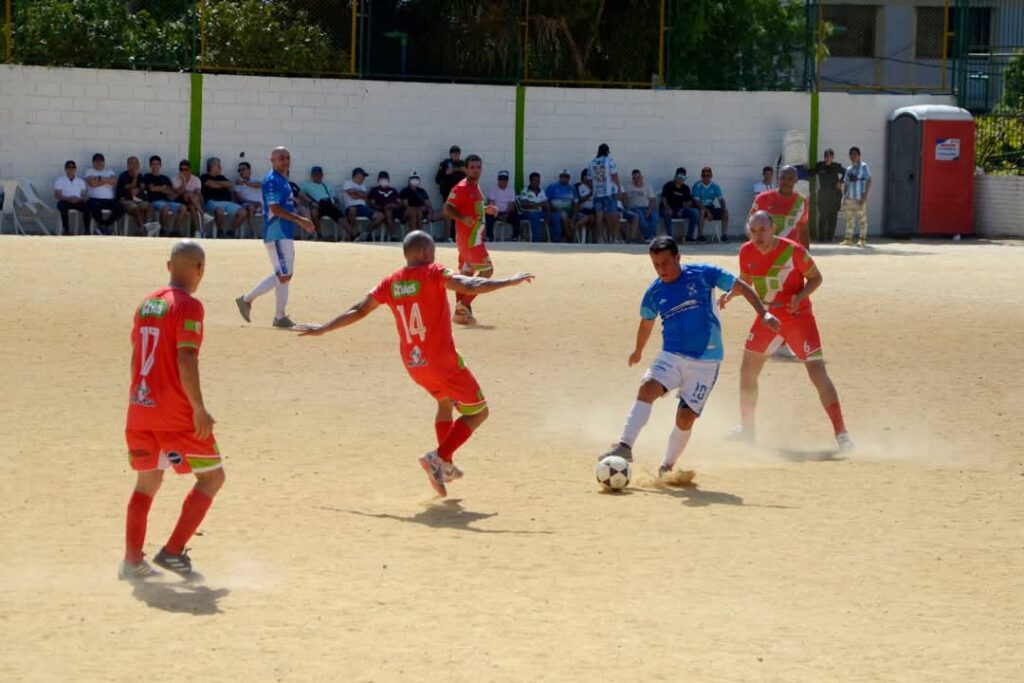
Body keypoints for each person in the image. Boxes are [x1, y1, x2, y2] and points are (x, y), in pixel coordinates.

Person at [296, 231, 534, 497]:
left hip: (414, 364)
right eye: (432, 251)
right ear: (423, 252)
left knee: (445, 402)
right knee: (479, 412)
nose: (434, 256)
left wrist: (323, 328)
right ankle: (439, 457)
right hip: (442, 362)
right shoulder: (433, 272)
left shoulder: (390, 282)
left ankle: (446, 466)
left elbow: (359, 310)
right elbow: (468, 285)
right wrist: (508, 281)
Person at [599, 235, 778, 478]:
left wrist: (763, 314)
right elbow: (647, 321)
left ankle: (667, 468)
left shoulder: (703, 274)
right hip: (671, 354)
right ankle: (625, 446)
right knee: (647, 388)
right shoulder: (655, 291)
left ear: (678, 258)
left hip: (706, 360)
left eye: (665, 263)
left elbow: (742, 287)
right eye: (656, 265)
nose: (661, 270)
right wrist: (638, 350)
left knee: (685, 418)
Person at [120, 240, 223, 580]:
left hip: (140, 408)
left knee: (146, 482)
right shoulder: (189, 307)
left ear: (168, 267)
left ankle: (132, 561)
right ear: (200, 269)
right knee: (212, 477)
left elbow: (136, 356)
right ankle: (173, 552)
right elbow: (186, 356)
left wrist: (139, 399)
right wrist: (198, 408)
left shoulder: (146, 304)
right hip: (174, 413)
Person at [722, 211, 854, 452]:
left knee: (817, 373)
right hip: (767, 318)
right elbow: (745, 280)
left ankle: (841, 433)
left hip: (798, 318)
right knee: (747, 370)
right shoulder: (746, 251)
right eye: (754, 231)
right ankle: (747, 429)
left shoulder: (793, 251)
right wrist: (731, 294)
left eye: (763, 229)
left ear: (773, 229)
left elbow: (816, 278)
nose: (758, 235)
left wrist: (800, 296)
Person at [234, 147, 316, 329]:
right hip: (276, 232)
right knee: (284, 274)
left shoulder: (282, 179)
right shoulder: (272, 180)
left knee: (285, 274)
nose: (285, 161)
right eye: (281, 158)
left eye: (287, 157)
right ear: (272, 160)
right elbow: (275, 209)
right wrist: (301, 220)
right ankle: (247, 299)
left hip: (283, 232)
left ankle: (279, 316)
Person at [444, 154, 500, 325]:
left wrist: (485, 209)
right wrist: (462, 218)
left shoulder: (475, 187)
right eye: (472, 167)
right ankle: (464, 305)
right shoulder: (461, 187)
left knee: (466, 275)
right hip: (471, 240)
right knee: (487, 271)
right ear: (466, 169)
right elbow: (447, 208)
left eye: (478, 167)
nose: (475, 170)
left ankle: (461, 313)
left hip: (471, 239)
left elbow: (471, 207)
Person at [749, 165, 809, 248]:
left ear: (796, 180)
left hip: (791, 252)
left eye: (790, 178)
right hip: (767, 251)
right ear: (778, 178)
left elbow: (803, 231)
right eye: (783, 177)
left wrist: (806, 255)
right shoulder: (762, 199)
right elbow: (749, 224)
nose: (786, 181)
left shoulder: (802, 202)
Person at [300, 165, 352, 240]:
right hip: (317, 205)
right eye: (315, 174)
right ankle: (319, 235)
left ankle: (354, 234)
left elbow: (333, 197)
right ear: (311, 176)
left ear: (322, 175)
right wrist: (311, 202)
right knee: (314, 212)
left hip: (328, 204)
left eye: (319, 174)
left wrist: (336, 202)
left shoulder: (327, 185)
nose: (317, 176)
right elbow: (300, 194)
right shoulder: (306, 185)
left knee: (339, 214)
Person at [144, 156, 189, 237]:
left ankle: (175, 230)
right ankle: (163, 230)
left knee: (183, 208)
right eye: (153, 164)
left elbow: (171, 193)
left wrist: (183, 182)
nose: (155, 166)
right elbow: (152, 189)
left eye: (157, 164)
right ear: (150, 166)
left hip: (166, 201)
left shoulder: (165, 178)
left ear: (160, 165)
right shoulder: (147, 176)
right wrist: (163, 188)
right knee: (165, 207)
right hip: (154, 201)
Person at [201, 157, 246, 238]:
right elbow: (210, 184)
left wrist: (217, 184)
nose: (220, 168)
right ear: (212, 166)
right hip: (212, 202)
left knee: (243, 212)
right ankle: (220, 232)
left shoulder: (222, 177)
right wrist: (222, 185)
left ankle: (231, 232)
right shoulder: (204, 177)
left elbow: (230, 184)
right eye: (218, 166)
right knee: (219, 211)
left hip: (228, 203)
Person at [83, 153, 122, 235]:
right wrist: (107, 181)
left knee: (121, 208)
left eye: (101, 161)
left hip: (108, 200)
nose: (99, 163)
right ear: (93, 163)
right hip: (94, 199)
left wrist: (99, 179)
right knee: (94, 207)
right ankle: (103, 227)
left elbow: (115, 181)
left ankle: (105, 225)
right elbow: (91, 183)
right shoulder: (89, 171)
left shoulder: (109, 171)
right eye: (97, 161)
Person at [589, 143, 621, 245]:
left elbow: (589, 178)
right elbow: (614, 175)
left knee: (599, 217)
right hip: (609, 192)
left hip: (597, 193)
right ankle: (614, 238)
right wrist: (619, 187)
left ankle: (600, 238)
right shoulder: (609, 160)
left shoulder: (592, 162)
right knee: (613, 216)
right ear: (607, 151)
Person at [811, 149, 844, 243]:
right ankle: (821, 238)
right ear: (824, 157)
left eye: (830, 156)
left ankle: (830, 237)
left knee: (833, 216)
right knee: (823, 216)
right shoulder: (820, 166)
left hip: (835, 194)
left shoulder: (836, 166)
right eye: (826, 156)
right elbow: (811, 173)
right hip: (824, 194)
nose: (828, 158)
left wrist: (840, 182)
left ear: (832, 157)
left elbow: (846, 173)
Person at [841, 146, 871, 247]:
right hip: (850, 197)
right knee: (849, 219)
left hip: (859, 197)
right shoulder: (849, 169)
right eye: (851, 154)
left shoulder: (863, 166)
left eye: (855, 154)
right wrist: (844, 196)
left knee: (862, 219)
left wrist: (865, 195)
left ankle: (862, 240)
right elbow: (846, 183)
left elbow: (869, 180)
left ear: (859, 155)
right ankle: (848, 239)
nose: (853, 156)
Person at [659, 167, 700, 241]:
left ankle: (689, 236)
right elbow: (664, 199)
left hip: (680, 210)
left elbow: (689, 201)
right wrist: (668, 208)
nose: (680, 178)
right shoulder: (668, 185)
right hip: (667, 209)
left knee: (695, 212)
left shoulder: (686, 188)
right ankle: (670, 238)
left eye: (682, 177)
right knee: (667, 213)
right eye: (679, 176)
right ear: (675, 176)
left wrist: (682, 210)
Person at [436, 145, 466, 240]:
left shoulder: (463, 164)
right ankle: (448, 237)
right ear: (450, 154)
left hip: (461, 194)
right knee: (448, 214)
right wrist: (446, 173)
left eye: (458, 153)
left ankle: (460, 236)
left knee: (460, 215)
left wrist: (457, 170)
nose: (456, 155)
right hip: (448, 193)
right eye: (454, 153)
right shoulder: (445, 164)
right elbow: (437, 179)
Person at [343, 167, 382, 241]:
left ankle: (365, 234)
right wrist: (360, 194)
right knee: (353, 209)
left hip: (363, 208)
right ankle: (353, 235)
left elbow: (365, 196)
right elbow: (353, 196)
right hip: (350, 207)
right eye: (363, 176)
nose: (364, 178)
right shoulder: (347, 183)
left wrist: (355, 192)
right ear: (358, 175)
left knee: (380, 216)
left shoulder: (363, 185)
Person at [117, 156, 153, 236]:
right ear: (128, 165)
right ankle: (143, 229)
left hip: (137, 200)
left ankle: (147, 228)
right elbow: (131, 188)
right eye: (132, 163)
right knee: (135, 207)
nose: (135, 165)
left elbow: (142, 188)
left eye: (136, 163)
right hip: (124, 200)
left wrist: (139, 189)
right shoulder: (123, 176)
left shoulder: (140, 176)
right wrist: (135, 177)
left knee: (148, 206)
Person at [692, 166, 729, 241]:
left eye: (708, 175)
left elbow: (721, 199)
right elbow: (697, 202)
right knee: (702, 211)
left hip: (710, 207)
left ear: (711, 176)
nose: (706, 177)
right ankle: (700, 235)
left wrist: (723, 207)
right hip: (699, 207)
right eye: (704, 175)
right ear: (701, 176)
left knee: (725, 212)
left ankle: (724, 235)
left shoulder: (715, 186)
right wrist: (707, 212)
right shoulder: (697, 186)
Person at [54, 159, 90, 235]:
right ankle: (66, 229)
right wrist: (68, 198)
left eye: (73, 167)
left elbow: (84, 195)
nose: (71, 169)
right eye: (69, 167)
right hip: (65, 200)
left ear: (75, 169)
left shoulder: (80, 181)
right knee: (62, 207)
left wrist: (78, 199)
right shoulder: (60, 180)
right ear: (65, 169)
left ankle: (87, 230)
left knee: (87, 207)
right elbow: (57, 195)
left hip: (77, 201)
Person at [368, 170, 404, 241]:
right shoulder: (374, 190)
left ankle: (391, 235)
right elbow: (372, 204)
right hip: (380, 210)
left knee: (389, 211)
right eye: (381, 179)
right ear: (378, 180)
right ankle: (392, 236)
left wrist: (394, 205)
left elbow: (400, 203)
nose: (383, 180)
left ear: (388, 180)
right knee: (387, 212)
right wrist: (383, 207)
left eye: (385, 179)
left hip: (394, 211)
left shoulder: (393, 190)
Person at [624, 169, 658, 242]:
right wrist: (627, 208)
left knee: (654, 216)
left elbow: (652, 200)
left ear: (642, 177)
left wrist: (649, 211)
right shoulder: (629, 186)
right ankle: (648, 236)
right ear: (632, 179)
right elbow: (626, 200)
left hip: (647, 207)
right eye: (634, 178)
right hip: (635, 208)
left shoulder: (647, 186)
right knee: (640, 216)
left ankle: (652, 236)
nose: (637, 179)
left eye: (638, 177)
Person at [484, 170, 519, 241]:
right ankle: (489, 237)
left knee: (516, 218)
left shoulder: (511, 190)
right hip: (495, 212)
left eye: (505, 179)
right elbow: (491, 203)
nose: (503, 181)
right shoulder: (494, 189)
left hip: (507, 212)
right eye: (501, 179)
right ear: (498, 180)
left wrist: (506, 214)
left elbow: (511, 204)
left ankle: (515, 237)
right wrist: (497, 215)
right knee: (488, 217)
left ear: (507, 180)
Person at [172, 160, 204, 237]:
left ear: (190, 170)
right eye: (181, 169)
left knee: (192, 207)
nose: (183, 171)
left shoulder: (196, 179)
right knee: (188, 194)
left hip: (192, 202)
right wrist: (183, 182)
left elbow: (198, 193)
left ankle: (198, 232)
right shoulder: (175, 178)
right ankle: (203, 213)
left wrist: (193, 196)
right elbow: (179, 192)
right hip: (179, 200)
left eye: (186, 169)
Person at [234, 161, 265, 237]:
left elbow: (259, 185)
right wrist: (252, 203)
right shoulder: (238, 183)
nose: (241, 172)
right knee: (250, 207)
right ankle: (252, 232)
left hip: (261, 206)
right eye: (239, 170)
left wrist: (244, 183)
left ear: (249, 170)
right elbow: (239, 199)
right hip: (246, 205)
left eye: (243, 169)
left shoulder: (255, 180)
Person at [518, 172, 551, 243]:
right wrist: (539, 204)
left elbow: (546, 204)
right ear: (530, 181)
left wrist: (548, 213)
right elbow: (525, 205)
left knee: (555, 217)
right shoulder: (525, 191)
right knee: (535, 217)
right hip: (527, 213)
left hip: (540, 212)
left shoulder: (542, 191)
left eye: (538, 181)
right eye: (535, 180)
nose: (537, 183)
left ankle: (555, 240)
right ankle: (536, 242)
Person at [545, 169, 576, 243]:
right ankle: (568, 235)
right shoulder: (553, 187)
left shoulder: (572, 188)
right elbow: (546, 201)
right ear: (559, 177)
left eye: (567, 177)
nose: (565, 178)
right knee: (563, 215)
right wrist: (549, 211)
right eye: (563, 176)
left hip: (569, 211)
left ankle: (566, 235)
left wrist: (574, 215)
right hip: (555, 211)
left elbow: (576, 203)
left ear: (569, 178)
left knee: (579, 217)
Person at [573, 168, 595, 243]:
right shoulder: (578, 186)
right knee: (589, 218)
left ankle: (593, 239)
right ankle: (576, 231)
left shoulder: (596, 187)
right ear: (584, 177)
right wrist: (589, 195)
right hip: (583, 210)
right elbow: (577, 201)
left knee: (597, 218)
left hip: (594, 210)